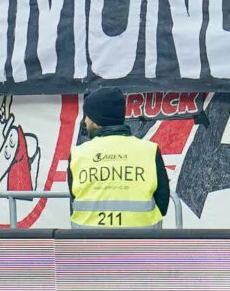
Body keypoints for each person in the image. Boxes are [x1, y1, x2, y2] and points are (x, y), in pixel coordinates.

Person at [67, 86, 169, 228]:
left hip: (90, 245)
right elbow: (162, 205)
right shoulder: (149, 151)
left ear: (96, 120)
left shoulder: (78, 155)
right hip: (141, 243)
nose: (85, 121)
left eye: (87, 116)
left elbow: (75, 204)